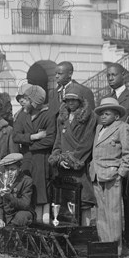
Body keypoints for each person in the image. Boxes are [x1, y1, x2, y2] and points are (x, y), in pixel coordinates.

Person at [89, 97, 129, 256]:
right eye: (101, 113)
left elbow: (128, 154)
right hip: (97, 175)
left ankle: (115, 249)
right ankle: (104, 246)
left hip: (112, 176)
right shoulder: (98, 128)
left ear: (116, 116)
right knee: (100, 213)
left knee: (113, 213)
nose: (102, 116)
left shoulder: (122, 127)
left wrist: (121, 173)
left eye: (107, 113)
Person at [48, 87, 96, 225]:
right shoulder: (61, 117)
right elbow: (58, 141)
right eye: (67, 100)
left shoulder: (90, 116)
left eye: (74, 100)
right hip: (63, 167)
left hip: (79, 165)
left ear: (80, 100)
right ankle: (69, 234)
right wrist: (59, 159)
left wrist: (72, 160)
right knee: (66, 200)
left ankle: (84, 232)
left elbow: (87, 142)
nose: (70, 103)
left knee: (84, 201)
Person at [12, 84, 56, 222]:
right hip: (27, 161)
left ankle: (44, 222)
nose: (23, 101)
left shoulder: (48, 115)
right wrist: (33, 137)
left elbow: (50, 140)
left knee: (43, 194)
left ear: (35, 102)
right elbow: (16, 136)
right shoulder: (22, 115)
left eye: (26, 98)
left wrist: (27, 145)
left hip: (42, 160)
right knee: (28, 192)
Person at [105, 63, 129, 249]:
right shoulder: (107, 99)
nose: (109, 78)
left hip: (126, 153)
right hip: (110, 155)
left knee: (128, 197)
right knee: (112, 197)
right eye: (108, 75)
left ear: (123, 75)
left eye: (113, 75)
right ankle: (113, 235)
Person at [0, 153, 35, 228]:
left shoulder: (26, 181)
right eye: (7, 170)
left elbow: (25, 204)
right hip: (6, 215)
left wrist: (9, 196)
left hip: (20, 212)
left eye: (12, 169)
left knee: (22, 216)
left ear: (19, 168)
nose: (9, 173)